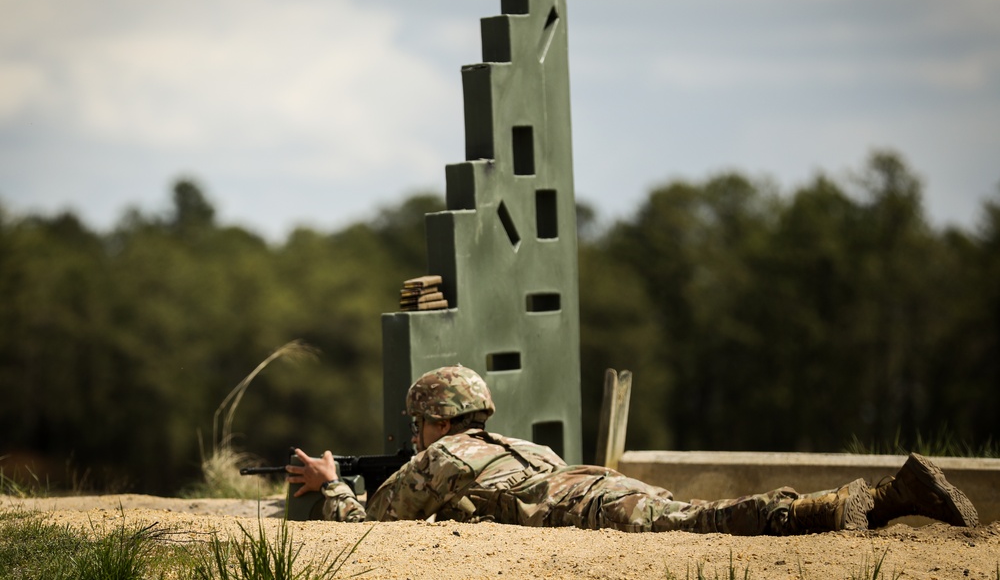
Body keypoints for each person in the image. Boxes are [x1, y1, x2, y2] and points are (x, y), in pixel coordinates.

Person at [286, 365, 978, 535]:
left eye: (419, 424)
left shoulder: (443, 457)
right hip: (594, 481)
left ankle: (867, 501)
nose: (415, 437)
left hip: (582, 506)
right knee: (695, 513)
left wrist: (328, 483)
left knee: (698, 524)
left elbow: (373, 528)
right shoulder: (511, 442)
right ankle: (883, 499)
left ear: (436, 420)